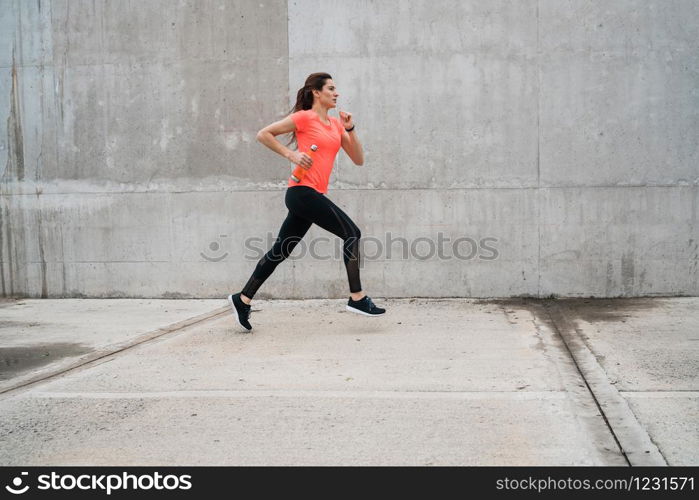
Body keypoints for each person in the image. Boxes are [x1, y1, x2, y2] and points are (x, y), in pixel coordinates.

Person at [227, 72, 386, 331]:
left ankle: (242, 299)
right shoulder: (304, 118)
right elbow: (263, 134)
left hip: (312, 195)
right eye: (331, 89)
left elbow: (358, 159)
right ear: (316, 92)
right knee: (352, 233)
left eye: (336, 89)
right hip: (302, 192)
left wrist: (350, 129)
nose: (336, 93)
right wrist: (292, 155)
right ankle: (357, 298)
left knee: (281, 250)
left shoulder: (335, 125)